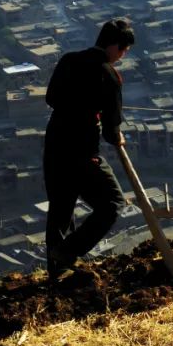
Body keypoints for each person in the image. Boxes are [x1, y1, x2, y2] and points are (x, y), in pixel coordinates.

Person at [43, 18, 133, 279]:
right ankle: (68, 251)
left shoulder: (68, 60)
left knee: (61, 208)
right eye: (124, 50)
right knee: (113, 203)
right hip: (81, 152)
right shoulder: (109, 76)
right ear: (115, 46)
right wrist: (117, 136)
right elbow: (111, 131)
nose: (122, 56)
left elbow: (51, 98)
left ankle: (58, 272)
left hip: (54, 146)